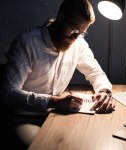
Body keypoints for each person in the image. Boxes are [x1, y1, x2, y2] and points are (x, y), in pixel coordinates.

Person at [0, 0, 115, 149]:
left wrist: (104, 91)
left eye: (81, 32)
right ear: (61, 18)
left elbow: (95, 72)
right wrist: (52, 101)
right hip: (24, 118)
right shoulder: (27, 43)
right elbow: (7, 93)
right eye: (74, 29)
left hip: (56, 114)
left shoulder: (78, 43)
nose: (75, 37)